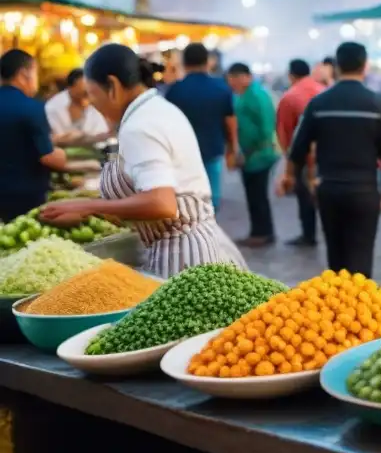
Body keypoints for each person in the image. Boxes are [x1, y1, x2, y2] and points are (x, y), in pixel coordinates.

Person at [39, 44, 246, 277]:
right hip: (189, 249)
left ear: (113, 86)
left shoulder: (140, 126)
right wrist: (93, 211)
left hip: (182, 259)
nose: (92, 104)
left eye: (92, 93)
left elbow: (161, 203)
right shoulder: (152, 110)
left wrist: (86, 205)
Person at [277, 42, 381, 276]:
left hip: (329, 190)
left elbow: (298, 147)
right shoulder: (375, 104)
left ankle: (338, 305)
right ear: (365, 65)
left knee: (336, 258)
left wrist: (289, 176)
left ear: (336, 66)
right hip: (364, 191)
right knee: (362, 256)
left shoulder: (320, 103)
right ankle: (358, 308)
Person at [0, 50, 98, 221]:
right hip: (25, 200)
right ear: (25, 74)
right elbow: (48, 158)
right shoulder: (32, 107)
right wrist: (81, 162)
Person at [164, 43, 238, 210]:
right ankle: (210, 231)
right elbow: (230, 122)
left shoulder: (174, 91)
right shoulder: (221, 88)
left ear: (184, 63)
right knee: (211, 200)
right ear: (208, 61)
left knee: (186, 201)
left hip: (181, 155)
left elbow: (167, 125)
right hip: (212, 151)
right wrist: (232, 150)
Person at [226, 63, 279, 247]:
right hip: (250, 155)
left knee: (258, 196)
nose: (231, 83)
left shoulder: (257, 96)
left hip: (259, 155)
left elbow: (266, 128)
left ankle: (263, 232)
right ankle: (259, 231)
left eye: (233, 79)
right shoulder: (244, 96)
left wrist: (249, 151)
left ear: (244, 77)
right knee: (253, 195)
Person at [276, 59, 324, 246]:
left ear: (291, 75)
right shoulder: (323, 91)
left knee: (305, 197)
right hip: (328, 155)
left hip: (304, 157)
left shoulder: (289, 97)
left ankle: (309, 234)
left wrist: (289, 165)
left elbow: (285, 133)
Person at [45, 68, 111, 145]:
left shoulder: (98, 103)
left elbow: (104, 133)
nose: (85, 100)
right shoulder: (52, 107)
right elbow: (50, 139)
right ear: (70, 88)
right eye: (81, 94)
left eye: (88, 94)